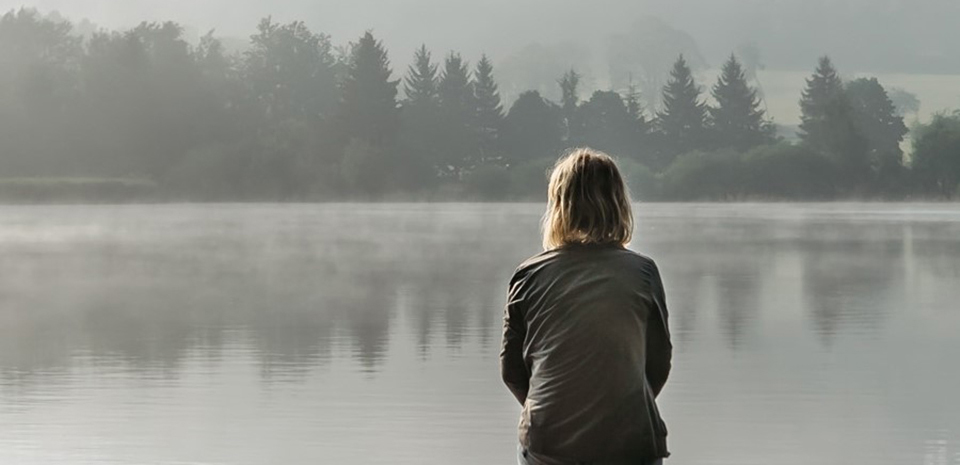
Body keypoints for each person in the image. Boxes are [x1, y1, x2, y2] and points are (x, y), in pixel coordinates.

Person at [500, 148, 672, 465]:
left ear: (558, 204)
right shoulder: (643, 273)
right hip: (630, 443)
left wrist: (552, 412)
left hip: (549, 443)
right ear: (618, 203)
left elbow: (512, 371)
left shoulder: (528, 275)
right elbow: (658, 364)